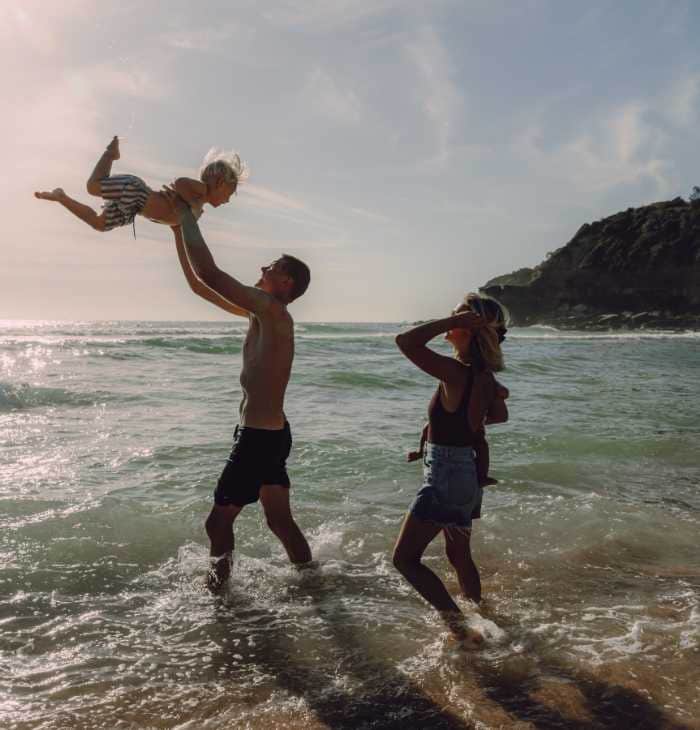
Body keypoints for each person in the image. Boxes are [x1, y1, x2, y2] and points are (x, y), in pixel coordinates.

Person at [170, 203, 313, 591]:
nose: (263, 268)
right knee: (279, 521)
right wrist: (177, 231)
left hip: (258, 438)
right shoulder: (262, 313)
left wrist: (186, 215)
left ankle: (219, 597)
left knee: (217, 523)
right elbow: (201, 285)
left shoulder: (272, 310)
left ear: (286, 282)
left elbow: (211, 273)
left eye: (272, 267)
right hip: (269, 433)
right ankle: (312, 580)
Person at [393, 293, 508, 638]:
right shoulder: (482, 377)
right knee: (459, 555)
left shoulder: (457, 373)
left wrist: (452, 321)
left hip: (446, 475)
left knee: (404, 560)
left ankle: (460, 629)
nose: (449, 325)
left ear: (468, 329)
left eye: (456, 320)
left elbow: (405, 341)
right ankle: (481, 615)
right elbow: (498, 415)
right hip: (465, 475)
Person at [35, 137, 244, 233]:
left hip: (134, 209)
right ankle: (110, 155)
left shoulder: (199, 209)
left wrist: (188, 213)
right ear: (219, 183)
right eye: (229, 193)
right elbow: (180, 182)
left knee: (99, 224)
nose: (227, 200)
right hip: (136, 193)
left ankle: (61, 197)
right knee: (93, 187)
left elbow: (177, 225)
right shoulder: (201, 190)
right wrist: (190, 202)